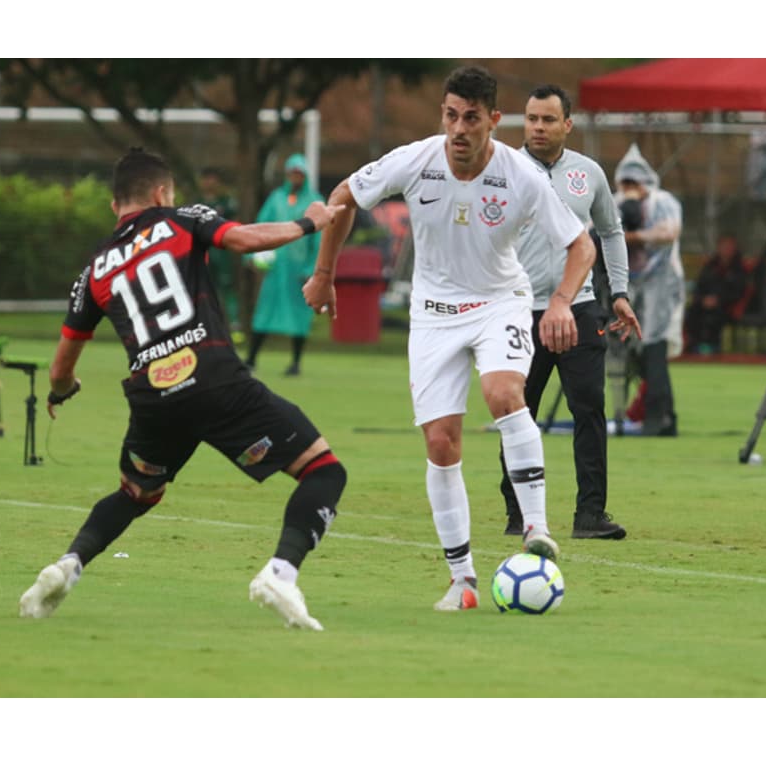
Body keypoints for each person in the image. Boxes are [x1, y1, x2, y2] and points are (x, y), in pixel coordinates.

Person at [303, 66, 596, 611]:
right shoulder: (416, 160)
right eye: (450, 115)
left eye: (470, 118)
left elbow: (581, 246)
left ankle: (536, 526)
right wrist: (324, 273)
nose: (458, 129)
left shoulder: (521, 175)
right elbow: (343, 195)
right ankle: (462, 582)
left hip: (498, 302)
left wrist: (559, 302)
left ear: (492, 120)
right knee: (441, 442)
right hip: (434, 313)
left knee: (505, 394)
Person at [18, 148, 347, 631]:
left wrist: (64, 391)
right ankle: (280, 574)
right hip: (214, 380)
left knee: (136, 494)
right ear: (161, 194)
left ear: (116, 206)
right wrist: (308, 223)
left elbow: (61, 366)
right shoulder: (182, 220)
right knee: (323, 471)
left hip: (153, 399)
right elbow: (244, 239)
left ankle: (68, 565)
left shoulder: (95, 270)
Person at [497, 84, 641, 541]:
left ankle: (590, 514)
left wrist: (619, 291)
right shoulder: (503, 169)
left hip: (578, 309)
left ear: (567, 125)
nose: (537, 128)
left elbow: (611, 231)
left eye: (547, 120)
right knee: (519, 413)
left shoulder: (588, 173)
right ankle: (518, 514)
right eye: (531, 119)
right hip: (518, 311)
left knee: (589, 410)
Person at [614, 143, 685, 437]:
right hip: (628, 287)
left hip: (661, 286)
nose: (630, 189)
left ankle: (659, 416)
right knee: (636, 353)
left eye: (635, 183)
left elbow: (669, 233)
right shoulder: (614, 202)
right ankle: (658, 413)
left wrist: (631, 236)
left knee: (655, 348)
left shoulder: (662, 201)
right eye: (625, 184)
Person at [245, 154, 324, 376]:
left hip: (298, 270)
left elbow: (319, 240)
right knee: (264, 312)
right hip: (275, 269)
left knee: (299, 315)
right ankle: (251, 358)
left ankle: (296, 362)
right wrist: (251, 255)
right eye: (292, 173)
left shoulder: (315, 201)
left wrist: (312, 269)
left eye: (300, 173)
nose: (296, 177)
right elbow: (261, 225)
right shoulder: (277, 199)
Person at [685, 234, 749, 355]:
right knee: (692, 312)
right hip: (705, 304)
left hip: (726, 306)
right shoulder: (710, 266)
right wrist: (703, 300)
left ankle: (713, 348)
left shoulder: (739, 268)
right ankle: (694, 346)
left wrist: (718, 300)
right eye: (724, 246)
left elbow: (739, 292)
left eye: (730, 246)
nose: (726, 249)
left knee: (714, 316)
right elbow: (700, 286)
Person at [198, 167, 242, 334]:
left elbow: (235, 224)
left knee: (227, 287)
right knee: (205, 288)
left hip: (222, 253)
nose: (209, 182)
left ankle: (234, 323)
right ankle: (207, 323)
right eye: (206, 179)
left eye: (212, 178)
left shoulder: (226, 202)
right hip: (203, 253)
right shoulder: (198, 203)